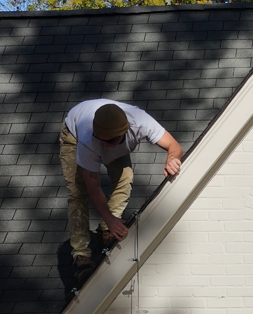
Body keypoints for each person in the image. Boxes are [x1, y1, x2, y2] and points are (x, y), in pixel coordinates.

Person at [60, 99, 183, 283]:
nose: (107, 146)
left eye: (111, 141)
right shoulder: (88, 139)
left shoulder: (140, 121)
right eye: (103, 141)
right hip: (73, 135)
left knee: (124, 177)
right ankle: (81, 255)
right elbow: (93, 186)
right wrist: (109, 217)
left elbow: (174, 146)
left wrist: (172, 159)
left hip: (116, 136)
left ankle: (106, 232)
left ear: (124, 131)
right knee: (78, 193)